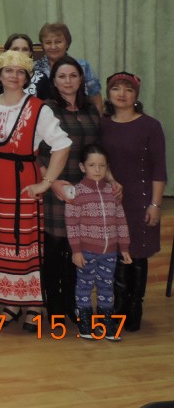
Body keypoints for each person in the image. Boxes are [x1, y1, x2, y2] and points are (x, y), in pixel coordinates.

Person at [0, 50, 72, 328]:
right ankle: (10, 302)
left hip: (21, 186)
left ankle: (34, 304)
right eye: (8, 70)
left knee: (22, 243)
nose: (14, 76)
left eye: (20, 72)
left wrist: (46, 182)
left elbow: (62, 144)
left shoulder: (38, 108)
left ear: (27, 77)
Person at [99, 71, 167, 332]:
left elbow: (159, 168)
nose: (122, 94)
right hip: (110, 198)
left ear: (136, 95)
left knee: (137, 253)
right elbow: (96, 159)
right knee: (115, 254)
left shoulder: (150, 126)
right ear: (108, 94)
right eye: (116, 88)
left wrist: (156, 204)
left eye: (128, 89)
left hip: (141, 199)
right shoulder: (103, 124)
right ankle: (117, 309)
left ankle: (134, 308)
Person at [37, 56, 100, 325]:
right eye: (62, 76)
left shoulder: (91, 109)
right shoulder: (46, 109)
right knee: (54, 248)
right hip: (56, 185)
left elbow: (98, 150)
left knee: (78, 247)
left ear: (81, 79)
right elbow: (35, 152)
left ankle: (74, 302)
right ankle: (54, 305)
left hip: (85, 188)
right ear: (54, 81)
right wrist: (51, 181)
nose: (68, 81)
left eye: (73, 75)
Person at [65, 146, 131, 341]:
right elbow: (72, 224)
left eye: (102, 166)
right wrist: (76, 251)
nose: (97, 169)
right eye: (92, 165)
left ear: (107, 168)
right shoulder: (76, 192)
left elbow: (120, 219)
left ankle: (106, 323)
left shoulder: (112, 191)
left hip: (109, 252)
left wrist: (124, 248)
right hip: (86, 252)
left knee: (106, 288)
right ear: (82, 167)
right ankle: (85, 322)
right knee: (84, 287)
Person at [34, 22, 103, 114]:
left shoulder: (82, 66)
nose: (53, 47)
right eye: (48, 43)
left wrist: (97, 120)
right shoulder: (34, 69)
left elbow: (95, 99)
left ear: (67, 44)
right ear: (42, 45)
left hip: (80, 118)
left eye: (58, 42)